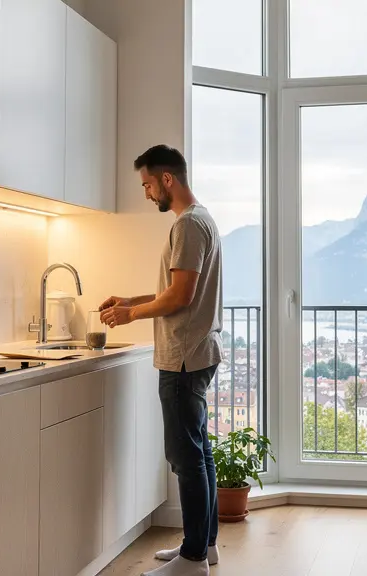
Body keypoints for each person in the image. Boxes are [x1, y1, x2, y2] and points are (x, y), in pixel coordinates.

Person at [100, 145, 223, 576]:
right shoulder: (201, 219)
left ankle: (192, 560)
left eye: (148, 184)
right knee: (199, 452)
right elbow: (175, 290)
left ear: (167, 180)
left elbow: (180, 297)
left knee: (184, 458)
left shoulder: (188, 226)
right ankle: (203, 545)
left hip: (183, 359)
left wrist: (128, 314)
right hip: (198, 353)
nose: (148, 194)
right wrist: (130, 299)